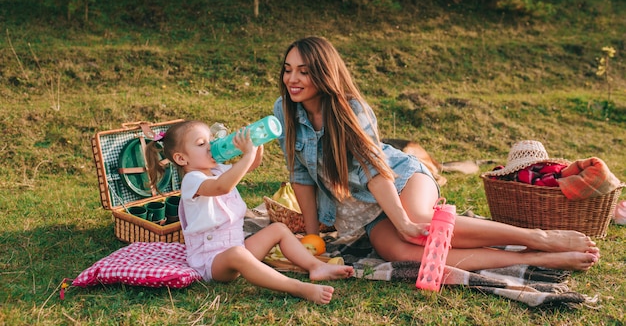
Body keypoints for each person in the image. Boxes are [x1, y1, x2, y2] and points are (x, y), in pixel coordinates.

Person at [273, 36, 600, 272]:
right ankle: (534, 258)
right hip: (365, 210)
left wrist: (402, 220)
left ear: (324, 73)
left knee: (417, 222)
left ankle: (540, 238)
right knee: (399, 252)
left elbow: (375, 171)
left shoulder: (351, 110)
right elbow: (301, 176)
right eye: (288, 70)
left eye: (303, 71)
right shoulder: (284, 112)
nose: (292, 79)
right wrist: (313, 236)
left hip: (399, 179)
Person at [145, 120, 354, 304]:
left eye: (210, 139)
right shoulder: (192, 180)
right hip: (212, 262)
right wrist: (247, 155)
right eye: (201, 144)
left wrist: (256, 142)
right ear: (182, 159)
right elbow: (221, 187)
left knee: (279, 229)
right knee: (238, 254)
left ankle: (315, 266)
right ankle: (298, 288)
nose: (211, 146)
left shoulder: (217, 169)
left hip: (239, 248)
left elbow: (251, 165)